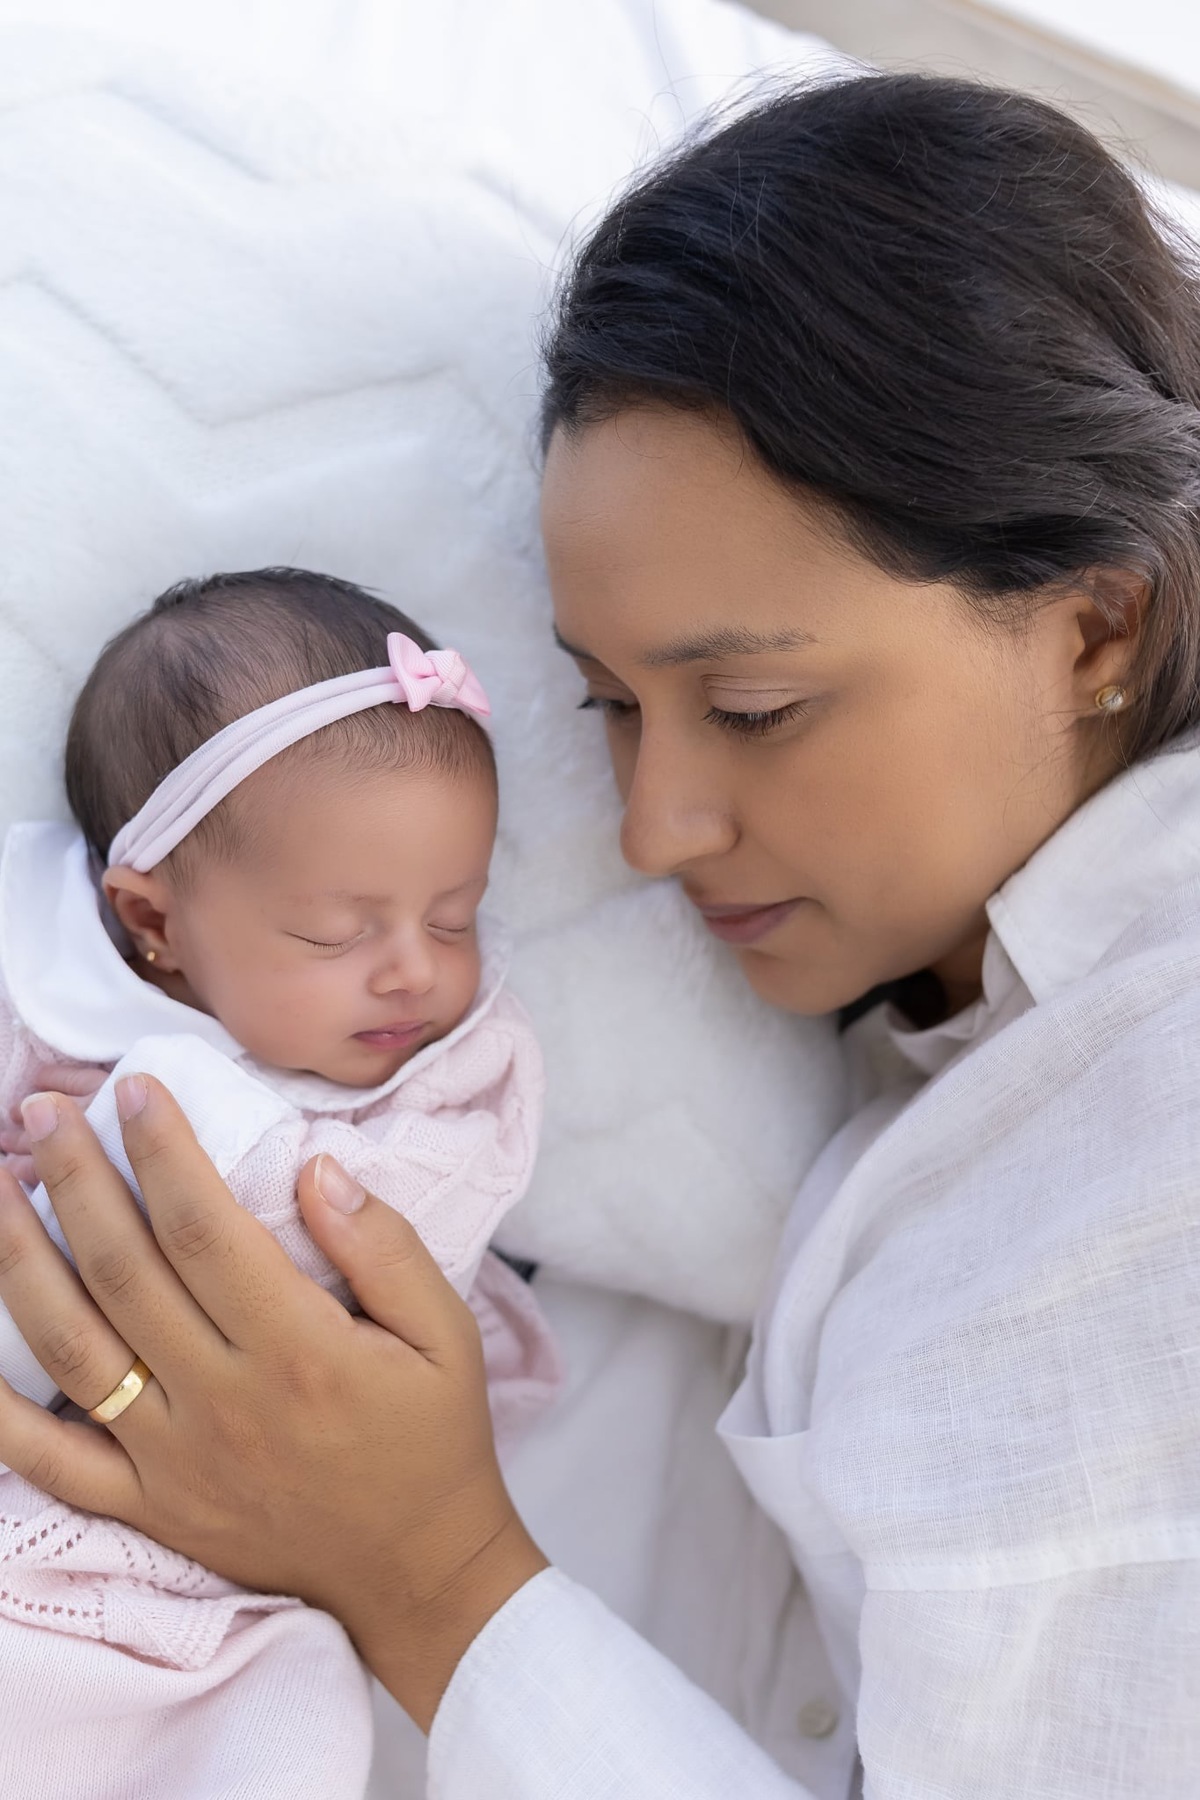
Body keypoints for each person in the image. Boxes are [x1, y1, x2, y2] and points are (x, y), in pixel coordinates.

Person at [1, 70, 1199, 1799]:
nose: (652, 831)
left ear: (1095, 627)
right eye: (611, 708)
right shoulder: (951, 1044)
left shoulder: (1148, 1115)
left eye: (756, 708)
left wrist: (432, 1573)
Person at [0, 569, 554, 1796]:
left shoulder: (449, 1081)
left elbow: (390, 1232)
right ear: (152, 922)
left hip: (244, 1546)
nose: (414, 972)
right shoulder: (38, 991)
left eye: (454, 916)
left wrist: (229, 1138)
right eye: (335, 933)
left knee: (275, 1715)